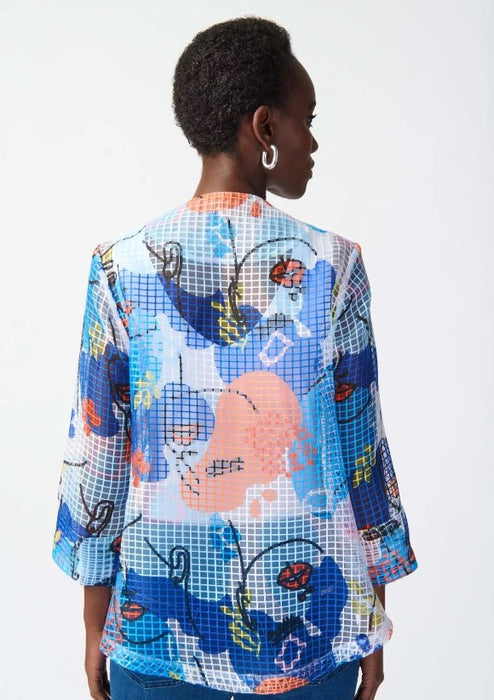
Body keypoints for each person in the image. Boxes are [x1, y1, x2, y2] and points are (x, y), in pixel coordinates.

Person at [52, 17, 417, 700]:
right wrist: (372, 618)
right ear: (265, 127)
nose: (314, 141)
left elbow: (97, 455)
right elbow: (362, 455)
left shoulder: (121, 268)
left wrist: (94, 621)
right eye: (307, 119)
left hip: (156, 638)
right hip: (315, 639)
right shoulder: (334, 266)